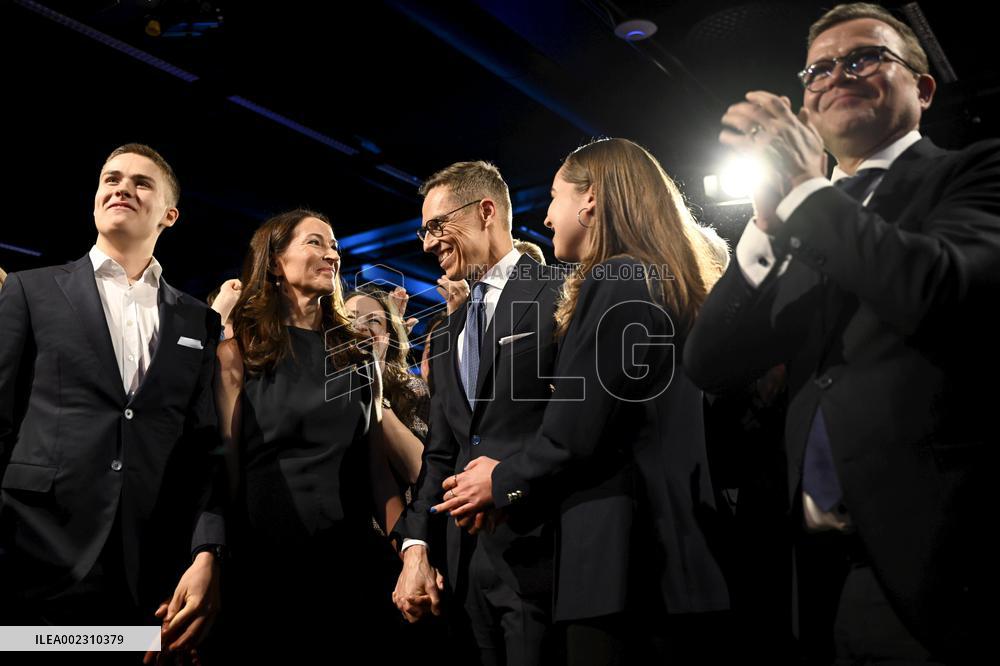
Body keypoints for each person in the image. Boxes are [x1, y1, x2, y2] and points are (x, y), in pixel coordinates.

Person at [683, 3, 1000, 662]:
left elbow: (936, 291)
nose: (836, 76)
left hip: (945, 569)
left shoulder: (972, 172)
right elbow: (711, 363)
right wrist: (767, 227)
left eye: (863, 58)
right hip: (818, 578)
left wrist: (804, 190)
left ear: (924, 86)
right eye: (818, 69)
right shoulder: (803, 221)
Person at [439, 138, 730, 664]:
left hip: (623, 563)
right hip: (679, 559)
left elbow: (576, 433)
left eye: (553, 197)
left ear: (590, 200)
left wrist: (499, 480)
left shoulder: (614, 280)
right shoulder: (667, 279)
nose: (547, 217)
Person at [0, 143, 223, 658]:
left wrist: (207, 549)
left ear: (169, 214)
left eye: (142, 182)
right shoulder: (31, 291)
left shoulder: (197, 321)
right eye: (110, 179)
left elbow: (202, 446)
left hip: (148, 561)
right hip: (33, 551)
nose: (122, 187)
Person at [392, 161, 563, 666]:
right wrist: (416, 545)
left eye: (437, 226)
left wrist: (509, 484)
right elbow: (441, 452)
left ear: (486, 211)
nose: (427, 243)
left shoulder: (561, 294)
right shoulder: (445, 333)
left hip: (542, 558)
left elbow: (579, 430)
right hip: (464, 574)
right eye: (424, 231)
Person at [215, 209, 405, 657]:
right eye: (315, 243)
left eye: (334, 245)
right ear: (276, 263)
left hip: (350, 567)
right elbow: (225, 474)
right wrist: (211, 561)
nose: (331, 254)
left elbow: (377, 474)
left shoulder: (358, 358)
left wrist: (412, 550)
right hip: (264, 568)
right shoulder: (238, 352)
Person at [345, 284, 428, 484]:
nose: (361, 326)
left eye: (374, 320)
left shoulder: (410, 390)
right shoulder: (314, 384)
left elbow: (418, 471)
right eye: (349, 318)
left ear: (387, 338)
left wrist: (376, 391)